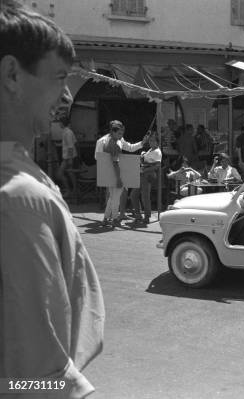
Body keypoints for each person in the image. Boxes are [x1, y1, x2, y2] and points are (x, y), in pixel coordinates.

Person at [0, 2, 104, 397]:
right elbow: (36, 379)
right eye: (59, 77)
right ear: (12, 74)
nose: (65, 95)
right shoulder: (19, 200)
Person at [95, 120, 147, 224]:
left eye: (122, 133)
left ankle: (106, 218)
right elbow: (103, 160)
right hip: (115, 173)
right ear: (112, 131)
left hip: (114, 172)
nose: (121, 135)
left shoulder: (116, 140)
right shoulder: (108, 142)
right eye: (119, 133)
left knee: (112, 197)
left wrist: (142, 143)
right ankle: (114, 218)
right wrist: (118, 178)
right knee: (115, 198)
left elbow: (129, 148)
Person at [131, 134, 162, 224]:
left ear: (157, 142)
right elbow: (144, 161)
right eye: (150, 140)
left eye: (153, 140)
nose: (151, 142)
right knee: (134, 195)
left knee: (145, 197)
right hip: (142, 174)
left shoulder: (157, 151)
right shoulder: (150, 150)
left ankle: (146, 217)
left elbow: (157, 166)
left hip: (147, 175)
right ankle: (138, 215)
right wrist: (143, 156)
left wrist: (145, 170)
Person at [57, 116, 78, 197]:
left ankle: (69, 190)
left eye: (60, 122)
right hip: (68, 157)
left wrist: (70, 159)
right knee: (70, 174)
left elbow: (70, 147)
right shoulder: (67, 132)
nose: (59, 124)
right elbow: (73, 143)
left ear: (62, 123)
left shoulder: (67, 132)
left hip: (68, 158)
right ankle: (73, 190)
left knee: (60, 174)